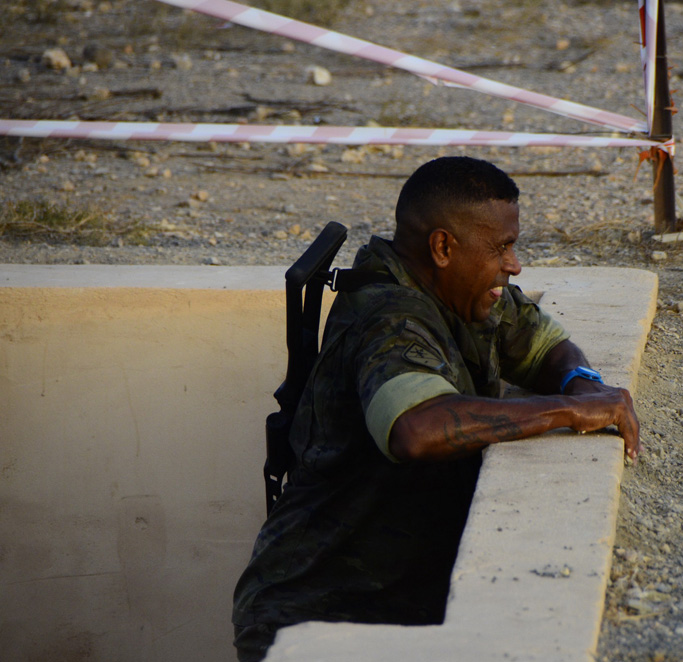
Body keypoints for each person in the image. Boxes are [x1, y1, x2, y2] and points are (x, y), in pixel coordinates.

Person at [232, 156, 640, 661]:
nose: (514, 265)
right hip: (316, 612)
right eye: (501, 247)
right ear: (443, 247)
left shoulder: (458, 289)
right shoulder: (391, 317)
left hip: (395, 597)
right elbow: (416, 428)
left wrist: (583, 385)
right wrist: (566, 412)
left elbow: (543, 344)